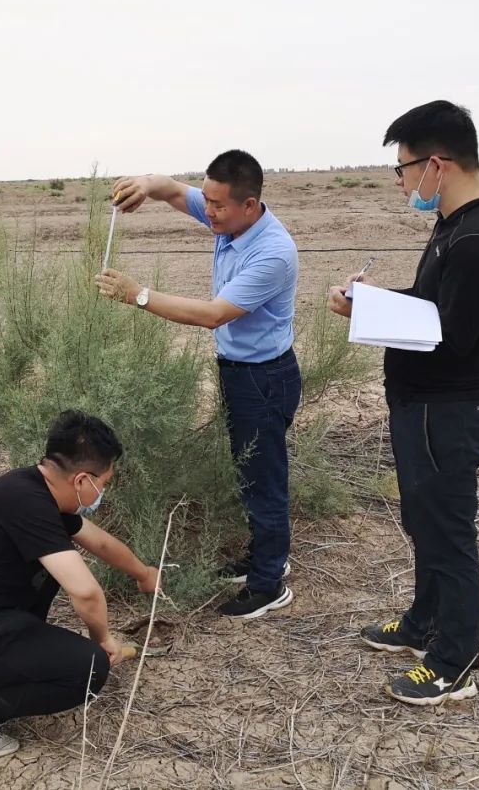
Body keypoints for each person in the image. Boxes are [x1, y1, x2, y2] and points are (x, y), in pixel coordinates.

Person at [328, 101, 479, 706]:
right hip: (423, 408)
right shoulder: (455, 222)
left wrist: (371, 315)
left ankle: (454, 661)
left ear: (436, 163)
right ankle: (422, 622)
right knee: (425, 522)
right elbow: (432, 303)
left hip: (447, 413)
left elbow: (450, 339)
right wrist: (374, 299)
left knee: (447, 535)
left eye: (405, 167)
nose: (402, 181)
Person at [96, 150, 300, 619]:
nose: (207, 212)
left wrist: (137, 295)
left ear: (250, 205)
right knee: (251, 472)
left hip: (264, 380)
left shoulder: (272, 253)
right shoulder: (226, 214)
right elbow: (170, 188)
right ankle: (264, 557)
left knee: (264, 479)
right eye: (205, 201)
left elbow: (212, 315)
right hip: (242, 373)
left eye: (217, 206)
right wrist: (144, 184)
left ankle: (270, 583)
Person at [0, 410, 160, 758]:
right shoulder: (27, 504)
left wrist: (144, 573)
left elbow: (100, 543)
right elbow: (85, 591)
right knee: (88, 671)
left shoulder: (35, 491)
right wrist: (102, 640)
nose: (104, 492)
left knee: (54, 637)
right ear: (83, 480)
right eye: (106, 482)